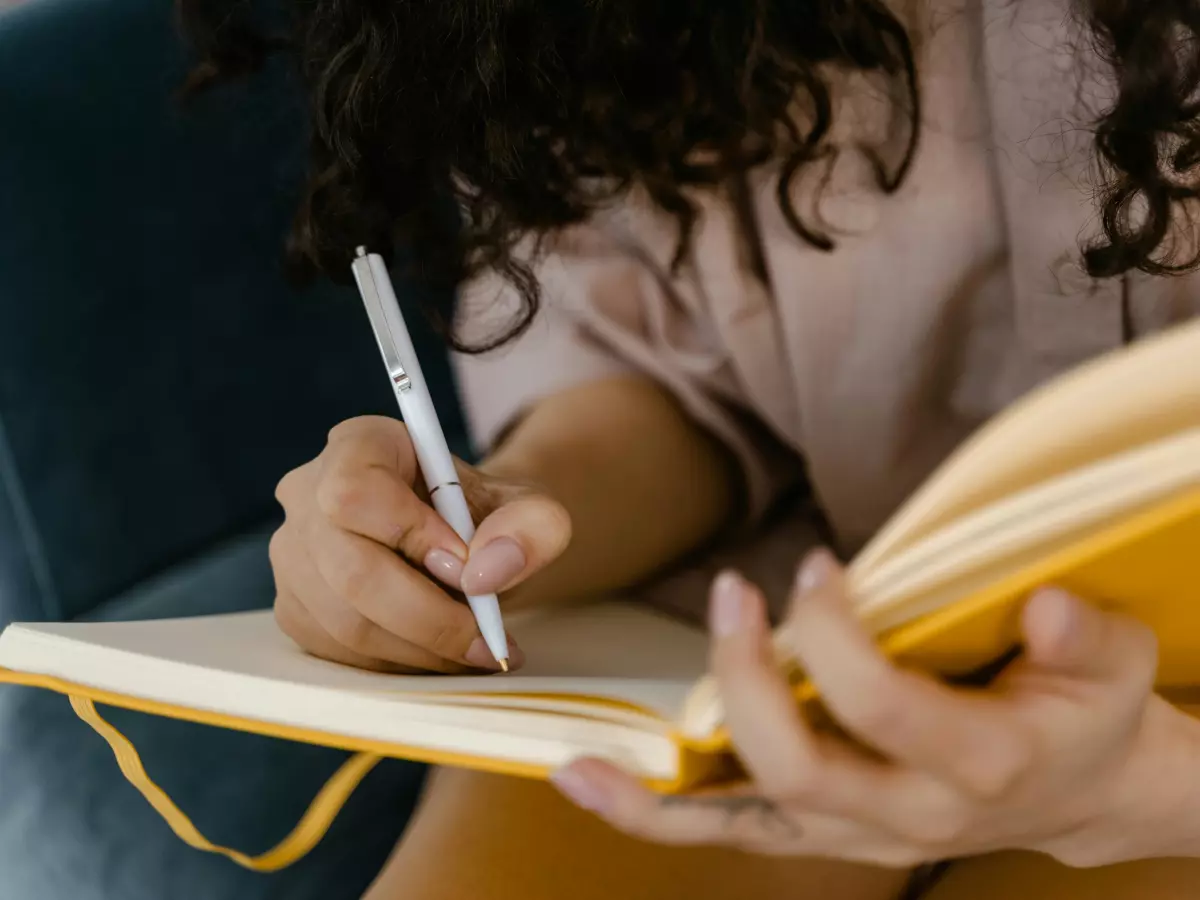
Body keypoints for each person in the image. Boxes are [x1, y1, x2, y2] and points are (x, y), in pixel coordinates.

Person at [186, 0, 1200, 896]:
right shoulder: (581, 30)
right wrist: (492, 522)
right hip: (784, 615)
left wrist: (1151, 795)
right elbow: (663, 379)